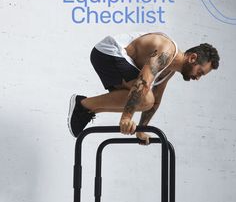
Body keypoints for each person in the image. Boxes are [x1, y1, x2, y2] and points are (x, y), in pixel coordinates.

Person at [67, 31, 220, 145]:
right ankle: (84, 105)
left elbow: (156, 102)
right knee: (145, 98)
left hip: (111, 59)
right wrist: (126, 118)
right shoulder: (166, 52)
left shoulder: (170, 70)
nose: (197, 77)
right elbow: (144, 82)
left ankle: (87, 109)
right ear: (192, 58)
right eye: (199, 72)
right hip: (107, 52)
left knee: (148, 101)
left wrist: (141, 129)